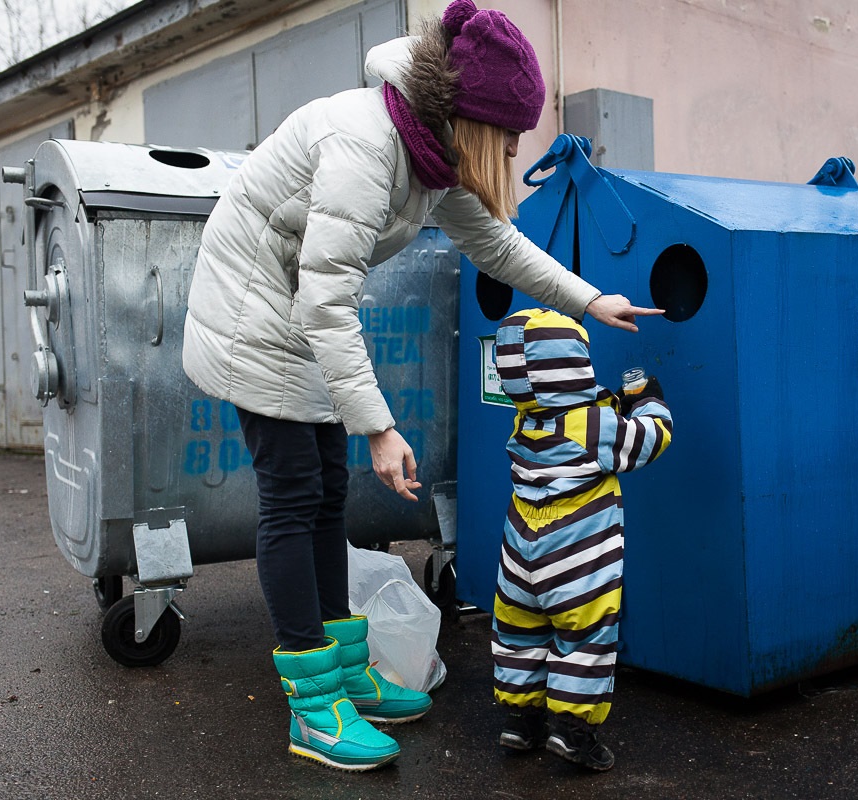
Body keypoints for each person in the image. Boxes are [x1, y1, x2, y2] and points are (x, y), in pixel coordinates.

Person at [182, 0, 661, 772]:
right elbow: (326, 298)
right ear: (474, 119)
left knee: (326, 492)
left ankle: (344, 674)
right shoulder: (366, 145)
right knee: (293, 491)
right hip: (254, 309)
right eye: (507, 138)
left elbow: (499, 246)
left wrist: (588, 299)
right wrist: (378, 426)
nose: (509, 155)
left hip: (301, 304)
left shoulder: (431, 152)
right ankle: (313, 704)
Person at [489, 309, 673, 772]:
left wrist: (604, 401)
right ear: (575, 366)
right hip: (574, 555)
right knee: (584, 637)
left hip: (519, 549)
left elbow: (572, 409)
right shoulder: (596, 431)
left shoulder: (524, 421)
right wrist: (649, 402)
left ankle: (520, 720)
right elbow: (650, 439)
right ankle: (574, 731)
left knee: (519, 632)